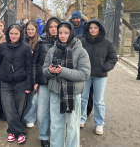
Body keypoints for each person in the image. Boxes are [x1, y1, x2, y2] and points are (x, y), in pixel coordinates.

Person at [43, 21, 90, 147]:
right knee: (56, 126)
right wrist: (50, 71)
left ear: (71, 34)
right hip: (55, 93)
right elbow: (44, 70)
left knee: (72, 127)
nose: (62, 36)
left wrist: (62, 71)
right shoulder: (52, 50)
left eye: (66, 33)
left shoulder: (81, 52)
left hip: (72, 94)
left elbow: (84, 74)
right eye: (60, 33)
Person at [0, 24, 33, 144]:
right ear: (8, 34)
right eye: (11, 33)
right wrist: (0, 74)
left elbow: (29, 67)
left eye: (16, 33)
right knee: (8, 108)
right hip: (5, 83)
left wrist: (29, 85)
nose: (13, 36)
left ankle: (11, 131)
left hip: (21, 82)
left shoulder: (26, 48)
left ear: (20, 34)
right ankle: (21, 133)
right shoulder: (2, 46)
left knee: (19, 108)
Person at [80, 19, 118, 135]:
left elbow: (113, 58)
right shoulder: (82, 42)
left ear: (100, 29)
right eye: (91, 28)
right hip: (85, 75)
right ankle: (81, 119)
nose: (93, 30)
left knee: (98, 101)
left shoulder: (107, 43)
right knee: (82, 98)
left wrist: (105, 67)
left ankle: (99, 123)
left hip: (100, 76)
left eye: (95, 28)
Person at [33, 17, 61, 147]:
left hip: (58, 82)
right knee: (43, 111)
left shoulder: (65, 43)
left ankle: (55, 136)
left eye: (56, 26)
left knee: (56, 112)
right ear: (47, 28)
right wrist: (35, 80)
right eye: (51, 26)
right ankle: (44, 136)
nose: (54, 29)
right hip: (43, 82)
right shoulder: (41, 43)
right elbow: (34, 63)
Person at [23, 21, 39, 128]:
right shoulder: (22, 40)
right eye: (28, 29)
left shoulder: (40, 42)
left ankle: (30, 117)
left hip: (35, 71)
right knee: (23, 97)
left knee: (33, 97)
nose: (30, 31)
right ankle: (21, 115)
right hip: (23, 71)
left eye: (32, 29)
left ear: (36, 30)